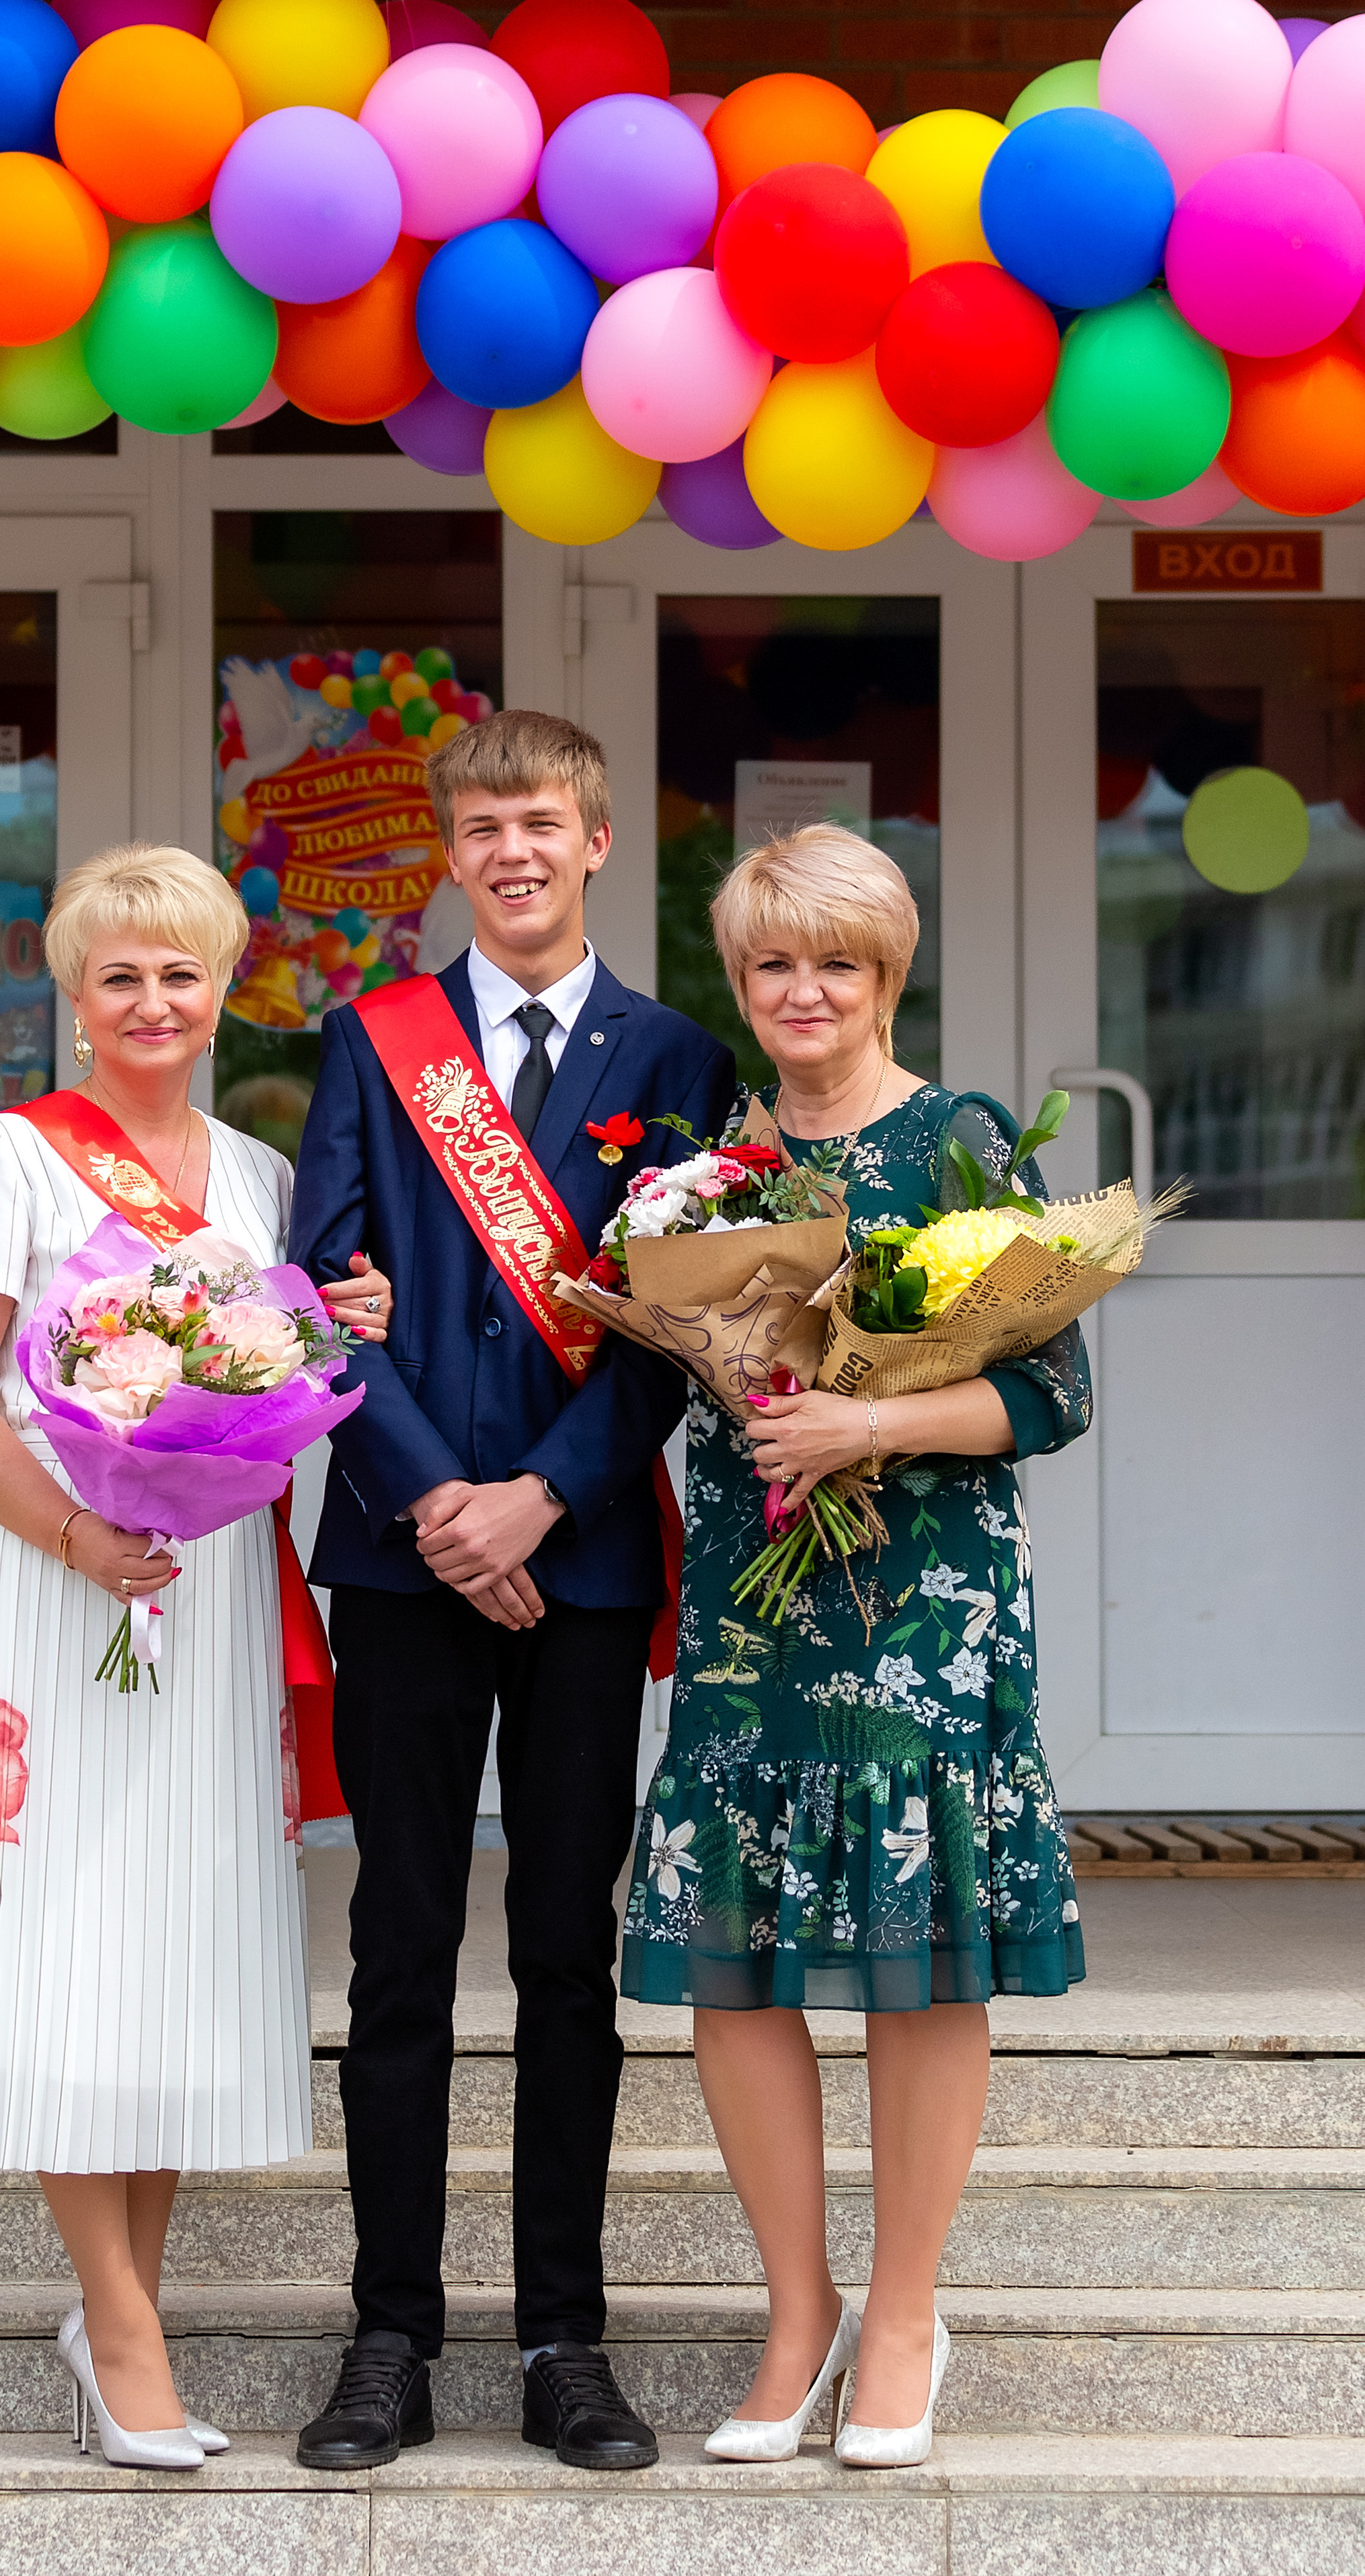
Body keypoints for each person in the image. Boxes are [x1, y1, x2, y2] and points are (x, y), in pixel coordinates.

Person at [0, 842, 394, 2469]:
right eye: (118, 975)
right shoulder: (12, 1158)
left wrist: (355, 1321)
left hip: (207, 1591)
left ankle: (126, 2302)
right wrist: (69, 1534)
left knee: (174, 1943)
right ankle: (122, 2329)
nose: (151, 1001)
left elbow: (290, 1372)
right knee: (66, 1926)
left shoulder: (255, 1177)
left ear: (221, 986)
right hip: (64, 1591)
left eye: (179, 973)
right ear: (73, 995)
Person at [288, 710, 735, 2474]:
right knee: (400, 1948)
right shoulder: (371, 1042)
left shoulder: (678, 1055)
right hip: (405, 1559)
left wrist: (542, 1496)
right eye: (482, 826)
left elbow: (686, 1318)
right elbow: (324, 1285)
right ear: (451, 851)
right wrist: (442, 1508)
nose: (513, 851)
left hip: (591, 1552)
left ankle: (564, 2336)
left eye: (541, 822)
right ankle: (389, 2331)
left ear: (600, 841)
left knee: (565, 1951)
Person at [622, 827, 1089, 2470]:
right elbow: (676, 1362)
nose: (802, 990)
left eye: (835, 961)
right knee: (734, 1961)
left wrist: (864, 1422)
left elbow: (1048, 1393)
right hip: (757, 1592)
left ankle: (903, 2313)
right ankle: (795, 2312)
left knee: (917, 1954)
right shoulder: (708, 1173)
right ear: (739, 985)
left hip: (922, 1607)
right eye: (771, 963)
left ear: (883, 974)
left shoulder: (958, 1141)